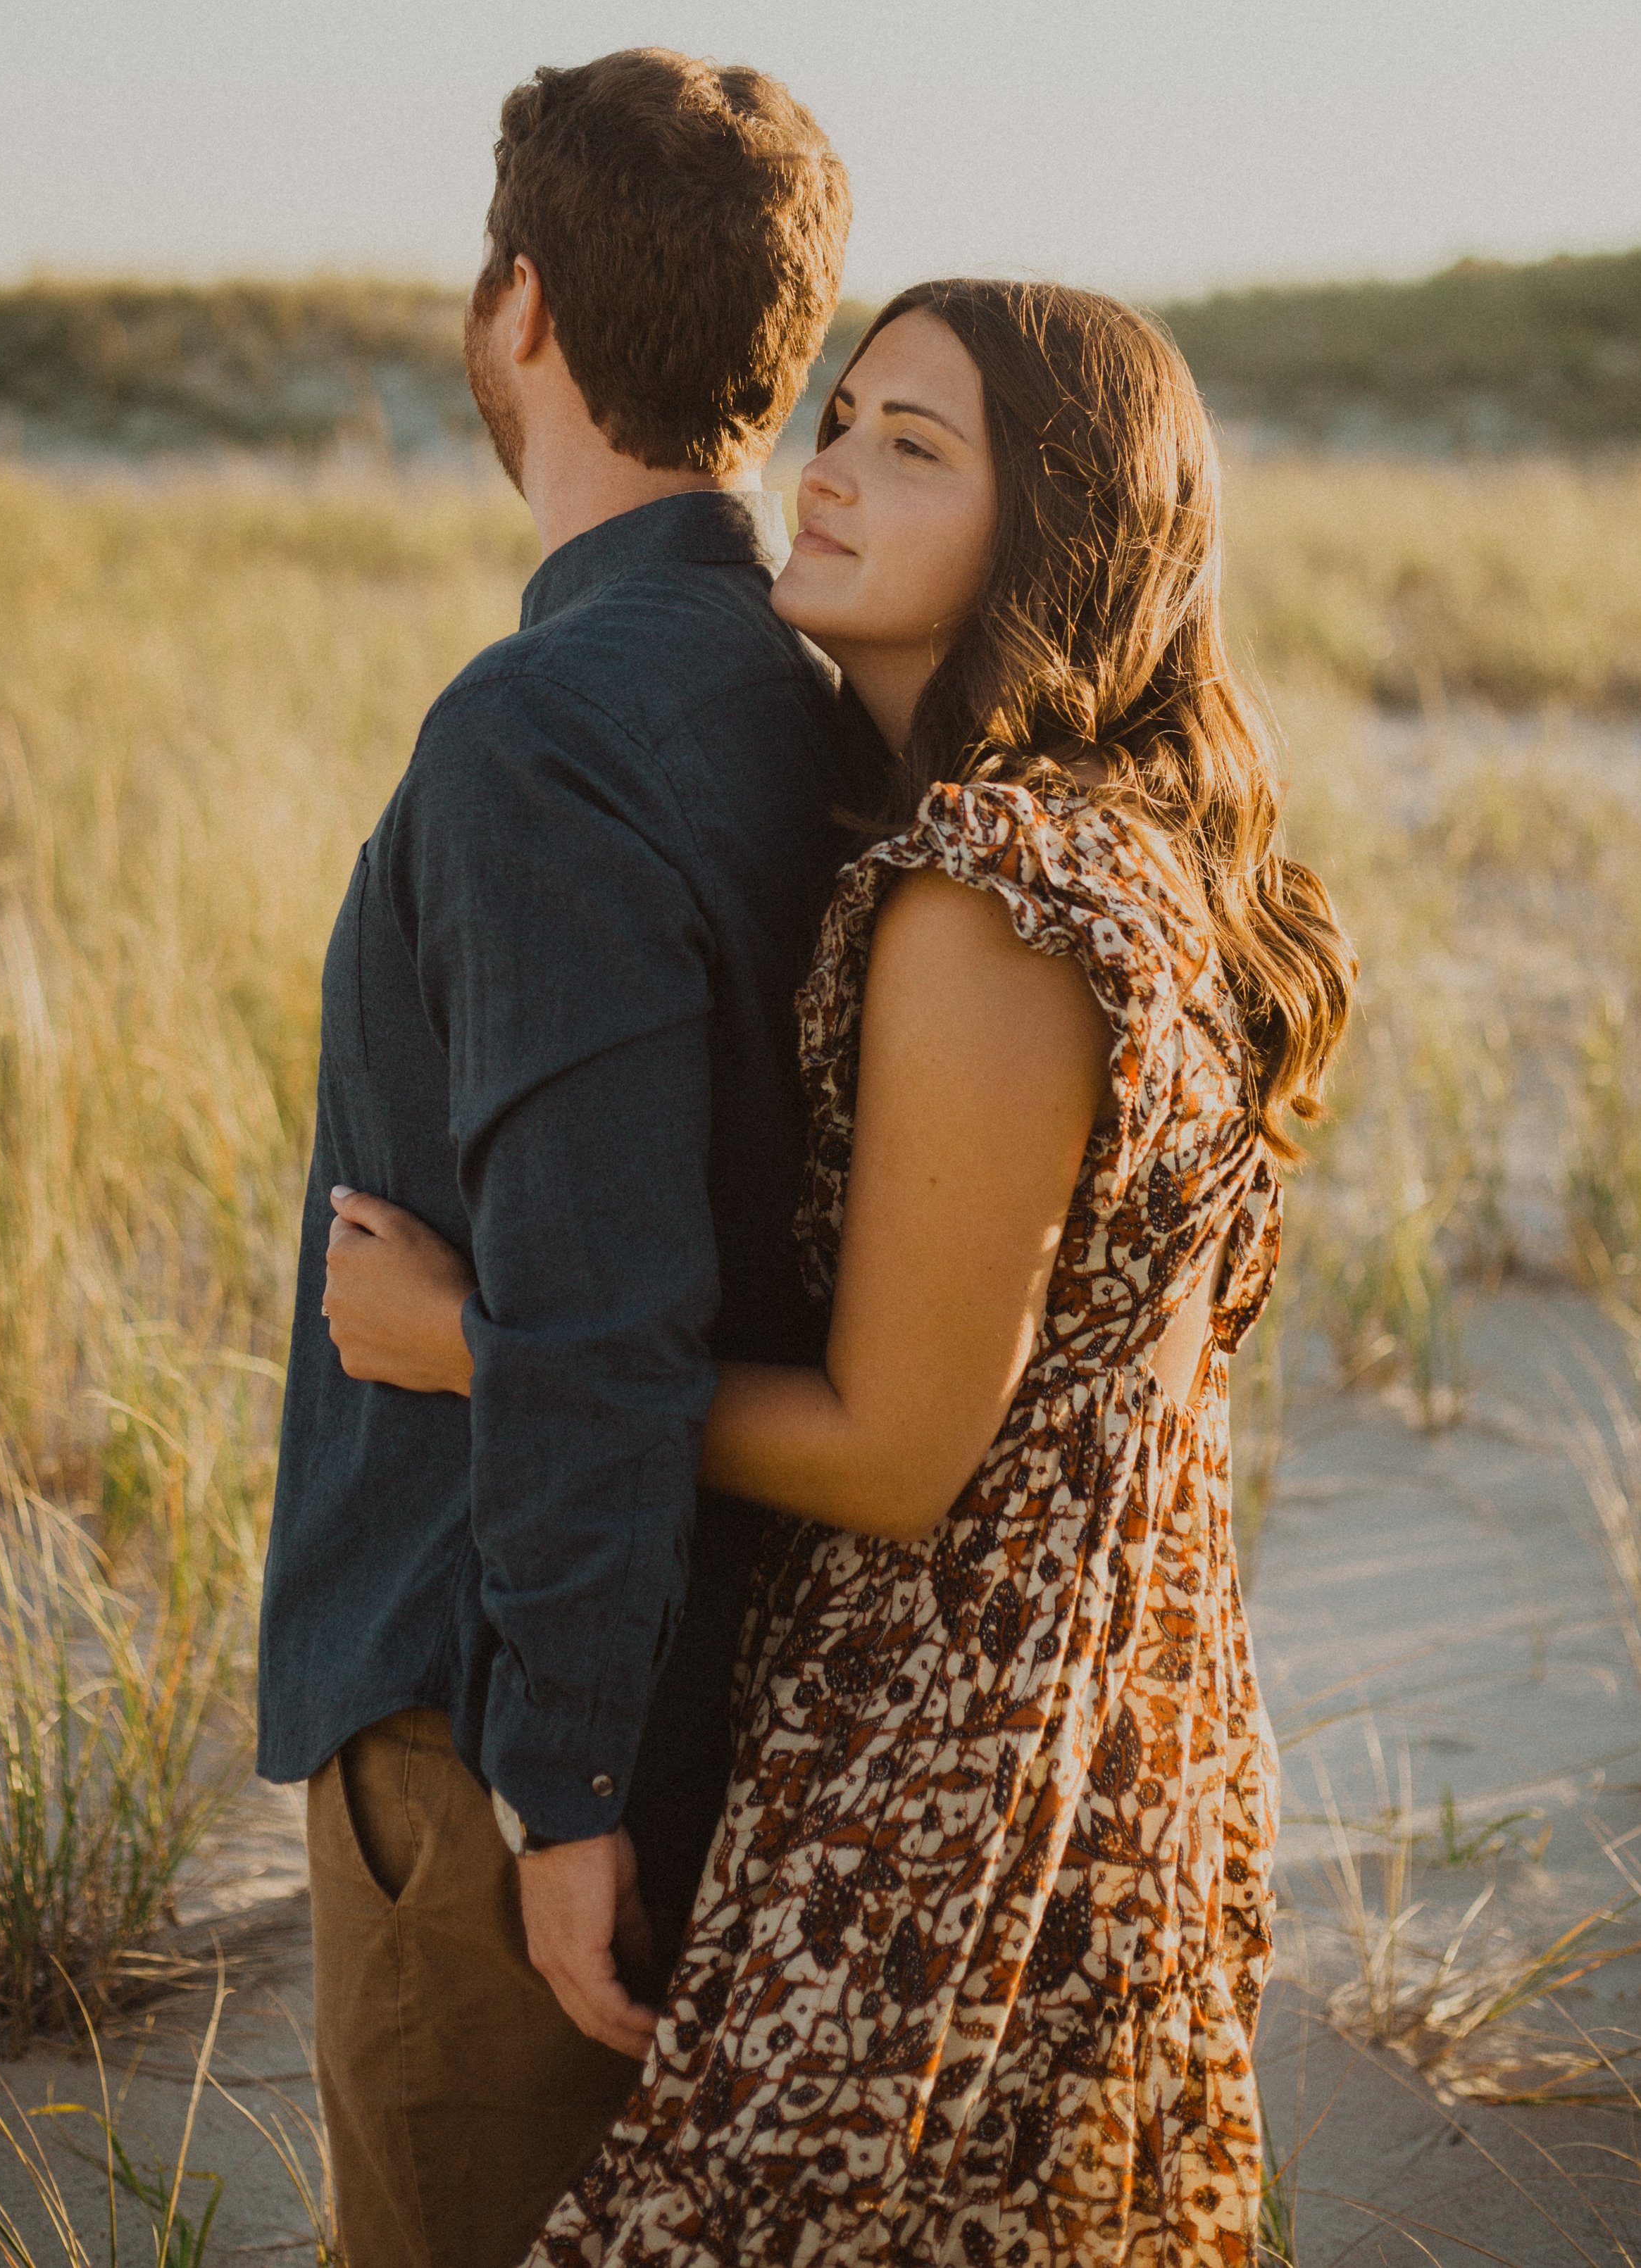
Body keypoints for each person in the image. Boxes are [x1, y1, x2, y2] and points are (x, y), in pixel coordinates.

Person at [325, 275, 1357, 2264]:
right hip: (1094, 1710)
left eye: (915, 446)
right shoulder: (1083, 840)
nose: (830, 473)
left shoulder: (984, 895)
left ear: (1056, 528)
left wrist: (479, 1343)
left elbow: (900, 1452)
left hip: (950, 1757)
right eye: (841, 414)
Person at [255, 46, 853, 2268]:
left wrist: (568, 1781)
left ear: (517, 307)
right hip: (716, 1670)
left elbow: (602, 1284)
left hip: (495, 1713)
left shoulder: (544, 725)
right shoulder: (795, 689)